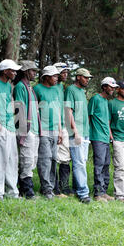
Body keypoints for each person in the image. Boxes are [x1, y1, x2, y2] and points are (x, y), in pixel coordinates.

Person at [0, 59, 21, 200]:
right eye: (12, 70)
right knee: (0, 162)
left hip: (10, 128)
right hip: (0, 128)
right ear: (4, 71)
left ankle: (12, 192)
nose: (15, 73)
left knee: (12, 161)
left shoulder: (9, 86)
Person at [33, 65, 62, 199]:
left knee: (54, 159)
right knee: (45, 159)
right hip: (43, 129)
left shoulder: (56, 90)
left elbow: (57, 111)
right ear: (46, 77)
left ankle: (49, 187)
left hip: (55, 130)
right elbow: (34, 111)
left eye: (57, 76)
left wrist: (60, 130)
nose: (57, 78)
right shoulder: (37, 89)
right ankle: (46, 189)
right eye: (54, 76)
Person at [88, 77, 119, 202]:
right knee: (99, 165)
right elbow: (88, 117)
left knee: (106, 164)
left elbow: (106, 121)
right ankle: (98, 193)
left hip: (106, 137)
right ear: (104, 87)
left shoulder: (106, 101)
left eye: (114, 87)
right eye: (110, 87)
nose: (112, 89)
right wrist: (88, 135)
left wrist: (110, 136)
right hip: (97, 137)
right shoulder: (95, 99)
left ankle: (104, 191)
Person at [65, 68, 93, 204]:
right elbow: (68, 111)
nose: (87, 80)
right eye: (85, 77)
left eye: (88, 78)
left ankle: (77, 189)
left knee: (83, 161)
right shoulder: (71, 90)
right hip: (76, 133)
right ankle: (83, 194)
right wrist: (75, 131)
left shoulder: (82, 92)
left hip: (85, 132)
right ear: (78, 77)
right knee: (79, 162)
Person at [13, 60, 40, 199]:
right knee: (27, 159)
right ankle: (26, 190)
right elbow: (19, 108)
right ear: (25, 71)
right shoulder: (20, 87)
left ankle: (24, 186)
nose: (35, 73)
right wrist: (23, 131)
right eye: (32, 71)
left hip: (35, 129)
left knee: (32, 159)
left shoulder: (30, 87)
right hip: (27, 129)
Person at [53, 62, 72, 197]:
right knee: (54, 158)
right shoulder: (51, 87)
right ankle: (54, 188)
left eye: (67, 73)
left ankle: (64, 186)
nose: (65, 75)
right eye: (63, 73)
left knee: (65, 158)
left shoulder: (61, 87)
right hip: (53, 127)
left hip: (63, 126)